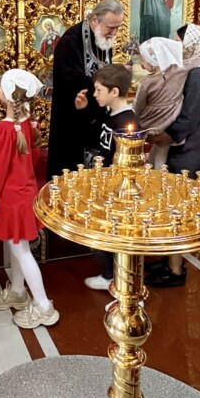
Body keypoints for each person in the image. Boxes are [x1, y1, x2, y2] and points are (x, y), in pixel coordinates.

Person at [145, 24, 200, 288]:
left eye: (178, 42)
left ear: (190, 44)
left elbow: (189, 118)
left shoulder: (198, 74)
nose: (174, 47)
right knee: (169, 208)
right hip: (181, 148)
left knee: (176, 213)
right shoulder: (190, 69)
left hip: (186, 151)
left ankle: (175, 271)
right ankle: (168, 260)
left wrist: (162, 135)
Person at [0, 69, 59, 329]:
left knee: (22, 251)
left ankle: (44, 307)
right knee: (16, 245)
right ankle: (17, 290)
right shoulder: (29, 124)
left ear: (5, 95)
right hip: (26, 193)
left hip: (13, 199)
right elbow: (33, 160)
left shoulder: (1, 130)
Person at [75, 64, 138, 291]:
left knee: (110, 232)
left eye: (99, 90)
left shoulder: (127, 123)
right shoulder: (109, 115)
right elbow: (93, 138)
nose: (95, 95)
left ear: (114, 91)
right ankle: (109, 273)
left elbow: (126, 163)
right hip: (102, 182)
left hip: (115, 188)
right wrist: (84, 111)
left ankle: (112, 277)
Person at [46, 0, 124, 180]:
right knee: (72, 176)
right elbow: (73, 81)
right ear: (95, 20)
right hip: (73, 120)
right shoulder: (69, 41)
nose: (114, 33)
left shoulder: (103, 38)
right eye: (111, 27)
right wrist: (108, 87)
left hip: (99, 118)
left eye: (117, 28)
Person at [133, 37, 186, 168]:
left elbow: (138, 107)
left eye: (142, 59)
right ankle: (154, 170)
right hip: (170, 119)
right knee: (161, 148)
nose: (141, 63)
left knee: (160, 153)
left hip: (151, 123)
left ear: (152, 61)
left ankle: (158, 175)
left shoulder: (145, 83)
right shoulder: (180, 72)